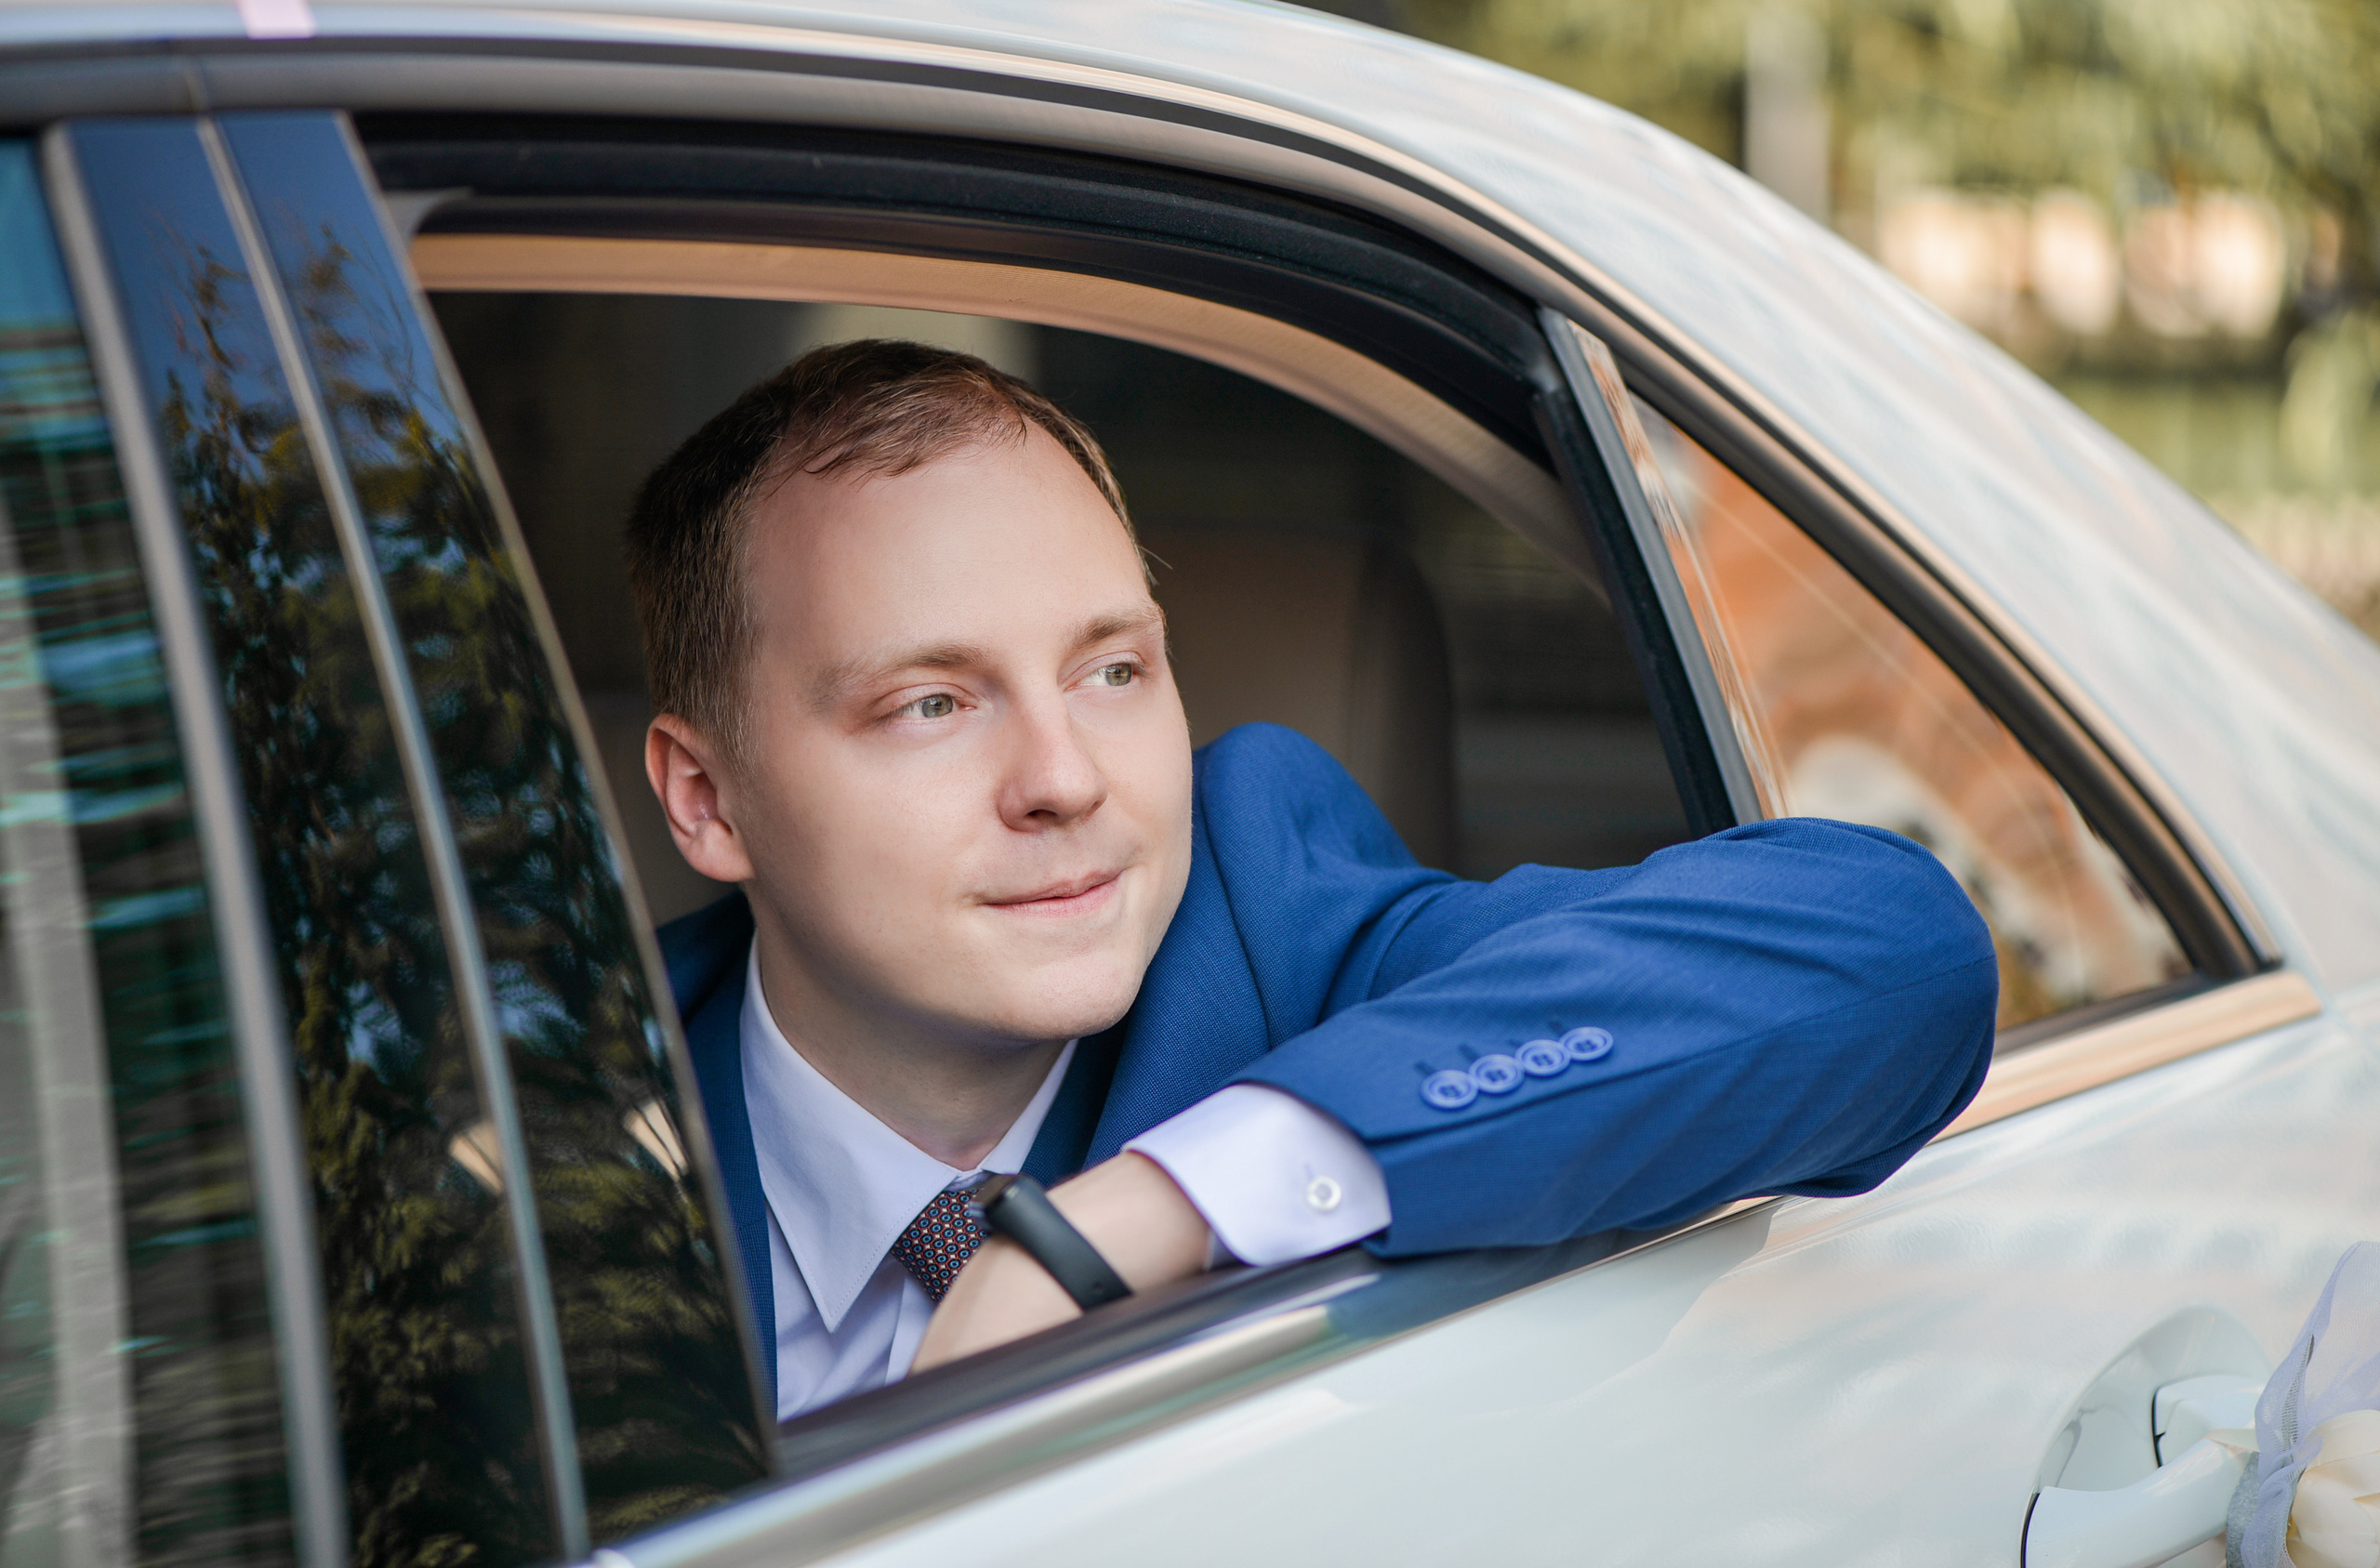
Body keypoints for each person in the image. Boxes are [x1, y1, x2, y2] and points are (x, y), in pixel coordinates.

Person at [629, 339, 1998, 1423]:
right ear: (707, 799)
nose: (1065, 778)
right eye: (931, 702)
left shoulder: (1278, 931)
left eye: (1113, 670)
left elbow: (1894, 950)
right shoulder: (563, 1126)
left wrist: (1135, 1217)